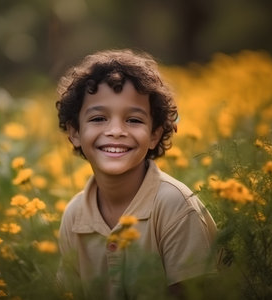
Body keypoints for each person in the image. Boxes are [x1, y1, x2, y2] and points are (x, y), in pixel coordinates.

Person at [56, 49, 218, 299]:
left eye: (133, 120)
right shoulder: (74, 215)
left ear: (155, 134)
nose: (116, 131)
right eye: (99, 118)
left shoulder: (175, 206)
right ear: (75, 132)